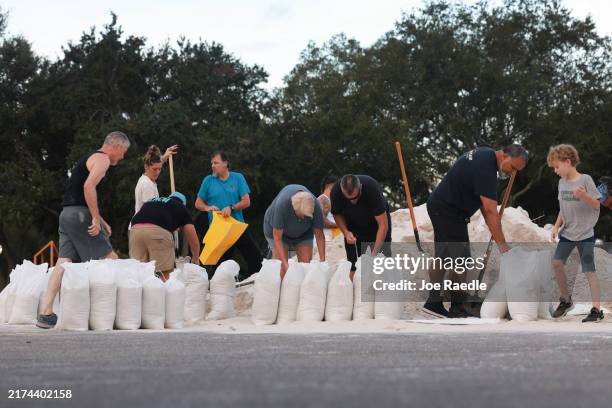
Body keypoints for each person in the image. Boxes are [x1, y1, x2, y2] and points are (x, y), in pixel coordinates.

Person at [36, 131, 130, 329]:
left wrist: (101, 220)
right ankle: (122, 313)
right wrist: (95, 218)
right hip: (80, 215)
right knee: (110, 258)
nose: (122, 157)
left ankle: (45, 313)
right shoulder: (103, 159)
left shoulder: (88, 157)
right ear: (116, 146)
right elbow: (88, 187)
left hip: (66, 214)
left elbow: (78, 192)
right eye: (123, 152)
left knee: (63, 262)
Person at [423, 144, 528, 318]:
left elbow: (484, 208)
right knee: (461, 260)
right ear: (505, 156)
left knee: (443, 256)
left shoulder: (484, 155)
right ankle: (457, 307)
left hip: (441, 206)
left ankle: (433, 302)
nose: (512, 174)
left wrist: (495, 232)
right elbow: (490, 210)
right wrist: (503, 246)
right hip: (449, 210)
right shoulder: (486, 170)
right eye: (513, 168)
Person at [547, 144, 603, 323]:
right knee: (557, 263)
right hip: (568, 233)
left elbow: (596, 204)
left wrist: (584, 196)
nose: (555, 171)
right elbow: (563, 208)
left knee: (589, 271)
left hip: (585, 234)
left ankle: (596, 309)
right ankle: (566, 300)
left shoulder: (585, 180)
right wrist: (556, 226)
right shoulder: (561, 183)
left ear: (568, 162)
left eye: (556, 166)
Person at [195, 151, 262, 279]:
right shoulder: (208, 180)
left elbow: (246, 201)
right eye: (211, 163)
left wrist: (232, 207)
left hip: (237, 228)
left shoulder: (238, 178)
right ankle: (215, 290)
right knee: (217, 269)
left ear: (225, 163)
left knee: (256, 260)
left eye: (216, 163)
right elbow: (198, 203)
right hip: (219, 231)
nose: (213, 166)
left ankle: (253, 284)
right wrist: (207, 207)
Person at [130, 192, 200, 281]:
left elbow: (148, 217)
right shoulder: (180, 206)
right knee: (164, 274)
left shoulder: (153, 201)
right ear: (183, 203)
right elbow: (193, 241)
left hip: (135, 231)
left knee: (139, 271)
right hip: (157, 232)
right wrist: (195, 258)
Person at [330, 174, 392, 274]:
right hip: (352, 223)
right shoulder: (336, 192)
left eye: (356, 197)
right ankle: (356, 283)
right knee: (354, 262)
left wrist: (374, 254)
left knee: (382, 257)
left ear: (361, 187)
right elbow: (337, 214)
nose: (353, 201)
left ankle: (385, 284)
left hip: (375, 223)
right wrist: (346, 232)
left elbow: (383, 225)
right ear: (342, 192)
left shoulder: (372, 189)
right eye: (349, 199)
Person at [264, 185, 325, 278]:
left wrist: (322, 261)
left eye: (307, 216)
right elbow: (277, 238)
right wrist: (285, 264)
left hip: (304, 234)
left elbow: (319, 236)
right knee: (282, 269)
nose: (304, 218)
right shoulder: (283, 205)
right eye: (301, 215)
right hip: (279, 234)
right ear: (294, 208)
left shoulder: (316, 206)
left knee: (305, 267)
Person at [134, 144, 178, 213]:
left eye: (160, 169)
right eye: (154, 169)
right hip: (144, 223)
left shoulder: (146, 179)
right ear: (146, 167)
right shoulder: (147, 185)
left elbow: (156, 164)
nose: (157, 172)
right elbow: (151, 212)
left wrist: (164, 157)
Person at [317, 175, 339, 241]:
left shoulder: (329, 200)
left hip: (331, 238)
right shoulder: (323, 199)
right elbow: (321, 221)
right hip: (326, 238)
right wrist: (340, 225)